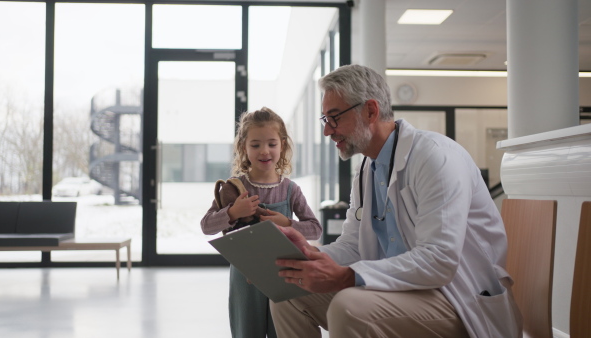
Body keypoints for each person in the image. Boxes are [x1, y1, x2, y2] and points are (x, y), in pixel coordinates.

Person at [270, 65, 523, 338]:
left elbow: (439, 261)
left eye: (334, 118)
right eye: (325, 120)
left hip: (457, 297)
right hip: (401, 291)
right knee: (287, 294)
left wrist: (348, 276)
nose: (327, 132)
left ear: (370, 110)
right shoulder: (368, 169)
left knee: (349, 306)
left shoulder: (435, 157)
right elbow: (353, 246)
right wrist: (305, 258)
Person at [201, 107, 322, 338]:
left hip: (283, 275)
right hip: (244, 279)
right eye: (255, 145)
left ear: (283, 145)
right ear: (243, 148)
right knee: (247, 331)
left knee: (282, 330)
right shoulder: (234, 187)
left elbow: (315, 228)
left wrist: (287, 222)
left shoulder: (290, 190)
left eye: (272, 144)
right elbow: (206, 226)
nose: (264, 151)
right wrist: (233, 212)